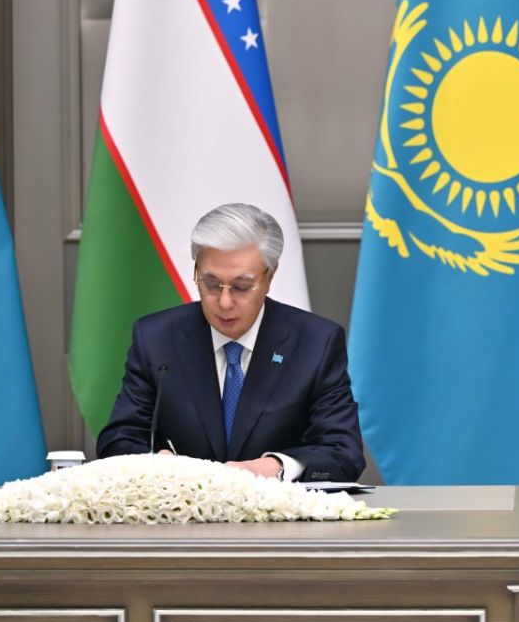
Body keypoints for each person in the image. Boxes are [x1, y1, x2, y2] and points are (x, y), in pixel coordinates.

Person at [96, 203, 365, 482]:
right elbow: (117, 440)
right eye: (211, 284)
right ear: (196, 270)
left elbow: (343, 452)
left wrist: (272, 467)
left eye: (241, 287)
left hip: (276, 507)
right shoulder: (156, 338)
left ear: (270, 276)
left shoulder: (315, 343)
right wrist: (155, 462)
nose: (225, 302)